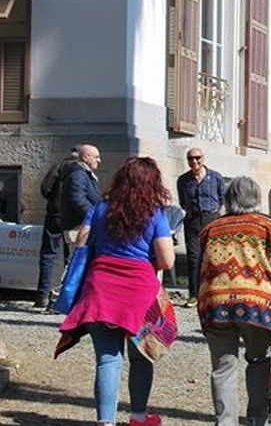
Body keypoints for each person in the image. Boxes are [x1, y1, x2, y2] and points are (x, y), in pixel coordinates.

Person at [56, 156, 176, 426]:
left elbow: (82, 242)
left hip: (99, 290)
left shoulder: (100, 208)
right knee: (142, 356)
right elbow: (167, 260)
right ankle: (138, 417)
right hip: (140, 294)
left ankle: (105, 422)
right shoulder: (155, 213)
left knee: (107, 360)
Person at [197, 177, 271, 426]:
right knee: (258, 359)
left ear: (228, 199)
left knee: (223, 367)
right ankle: (259, 418)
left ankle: (226, 422)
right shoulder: (266, 227)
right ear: (256, 198)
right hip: (257, 304)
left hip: (216, 302)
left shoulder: (211, 229)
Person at [176, 147, 225, 307]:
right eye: (190, 159)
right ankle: (194, 294)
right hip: (193, 220)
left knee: (213, 257)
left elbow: (222, 198)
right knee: (194, 258)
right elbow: (183, 201)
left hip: (211, 219)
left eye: (197, 158)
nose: (194, 161)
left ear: (203, 158)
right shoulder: (183, 180)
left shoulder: (216, 177)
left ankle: (214, 292)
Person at [35, 146, 80, 309]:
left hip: (55, 214)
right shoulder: (82, 172)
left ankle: (42, 296)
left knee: (48, 254)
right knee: (71, 257)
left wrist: (54, 202)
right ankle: (64, 296)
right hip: (73, 218)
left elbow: (45, 189)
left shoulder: (59, 166)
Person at [60, 143, 102, 239]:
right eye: (96, 157)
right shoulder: (78, 175)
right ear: (86, 157)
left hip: (84, 226)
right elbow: (78, 200)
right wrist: (95, 216)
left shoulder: (85, 174)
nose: (99, 161)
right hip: (78, 227)